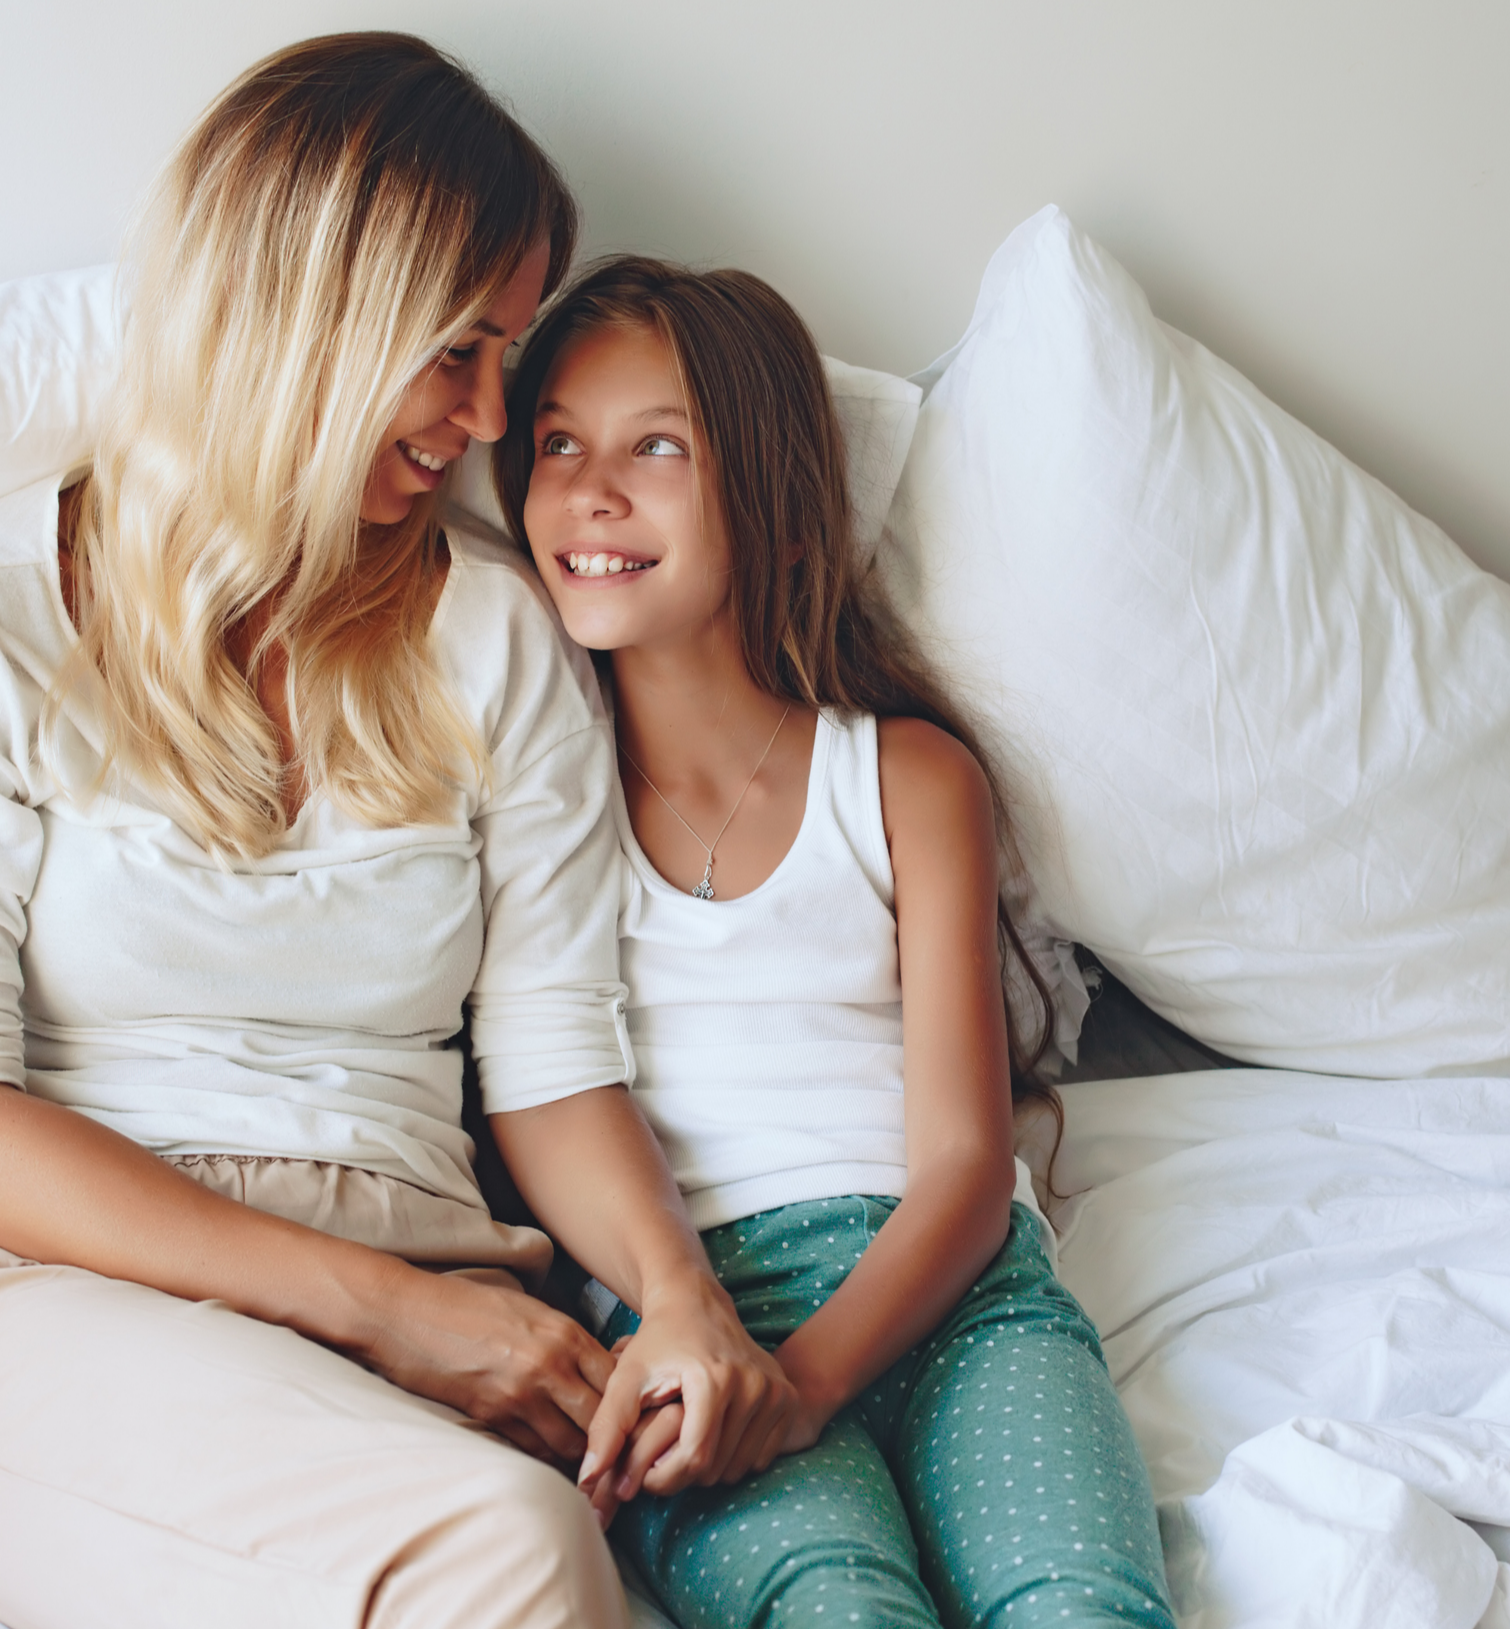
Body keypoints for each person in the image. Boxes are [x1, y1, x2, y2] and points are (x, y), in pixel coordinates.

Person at [0, 37, 792, 1629]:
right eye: (456, 351)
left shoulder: (495, 635)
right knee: (504, 1555)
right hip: (67, 1291)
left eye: (508, 358)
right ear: (306, 314)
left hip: (447, 1281)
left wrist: (682, 1300)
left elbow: (553, 1063)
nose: (491, 417)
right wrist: (389, 1316)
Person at [494, 257, 1178, 1627]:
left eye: (659, 447)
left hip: (957, 1295)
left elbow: (968, 1168)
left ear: (780, 509)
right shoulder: (525, 800)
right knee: (836, 1606)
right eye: (558, 442)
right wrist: (722, 1353)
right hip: (687, 1309)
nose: (591, 488)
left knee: (1079, 1603)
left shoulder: (908, 780)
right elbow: (535, 1092)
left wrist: (807, 1386)